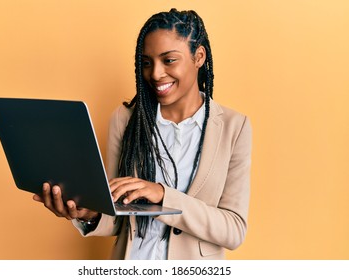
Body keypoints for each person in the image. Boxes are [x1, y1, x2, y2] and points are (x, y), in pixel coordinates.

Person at [33, 8, 252, 260]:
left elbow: (234, 230)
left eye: (169, 60)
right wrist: (88, 214)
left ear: (199, 56)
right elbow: (118, 218)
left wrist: (162, 194)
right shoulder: (126, 120)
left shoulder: (235, 127)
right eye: (146, 62)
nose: (155, 73)